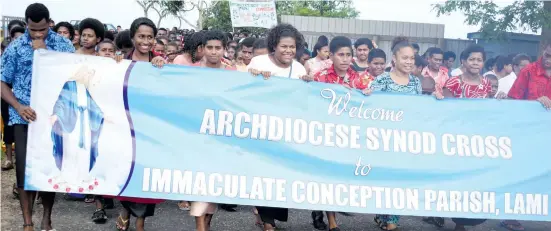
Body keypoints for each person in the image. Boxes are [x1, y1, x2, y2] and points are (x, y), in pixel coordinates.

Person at [1, 3, 75, 231]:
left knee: (50, 168)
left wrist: (45, 53)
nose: (38, 33)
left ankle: (47, 218)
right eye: (33, 30)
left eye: (42, 29)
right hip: (24, 118)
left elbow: (74, 73)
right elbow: (3, 82)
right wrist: (18, 105)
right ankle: (27, 223)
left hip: (53, 117)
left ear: (49, 23)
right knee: (24, 170)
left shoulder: (63, 44)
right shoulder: (15, 48)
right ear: (27, 25)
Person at [246, 23, 309, 231]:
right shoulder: (258, 61)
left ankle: (269, 217)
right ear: (274, 45)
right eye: (284, 46)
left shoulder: (299, 68)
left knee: (280, 177)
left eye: (292, 47)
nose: (288, 51)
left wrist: (309, 84)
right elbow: (244, 91)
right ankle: (267, 221)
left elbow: (304, 101)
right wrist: (253, 76)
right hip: (261, 131)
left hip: (286, 135)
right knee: (263, 174)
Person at [114, 17, 165, 231]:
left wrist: (162, 68)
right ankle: (125, 210)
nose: (146, 41)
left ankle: (140, 223)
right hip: (125, 127)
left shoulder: (161, 63)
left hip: (151, 128)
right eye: (141, 36)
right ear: (133, 37)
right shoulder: (120, 62)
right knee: (126, 171)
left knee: (145, 175)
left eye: (150, 37)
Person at [367, 37, 422, 230]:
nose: (408, 61)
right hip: (384, 141)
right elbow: (370, 107)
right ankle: (383, 213)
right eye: (404, 57)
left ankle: (392, 220)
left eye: (412, 58)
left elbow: (420, 109)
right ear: (395, 58)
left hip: (406, 141)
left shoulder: (416, 82)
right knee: (385, 179)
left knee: (400, 179)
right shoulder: (381, 79)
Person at [188, 30, 236, 231]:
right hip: (195, 136)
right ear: (202, 49)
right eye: (210, 48)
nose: (214, 52)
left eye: (218, 48)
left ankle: (206, 223)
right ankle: (200, 226)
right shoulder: (188, 71)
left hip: (221, 138)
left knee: (215, 185)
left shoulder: (232, 73)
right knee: (199, 184)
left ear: (224, 50)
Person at [508, 39, 551, 110]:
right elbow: (512, 100)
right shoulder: (528, 71)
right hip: (528, 118)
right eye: (547, 55)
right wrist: (536, 103)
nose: (549, 60)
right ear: (543, 50)